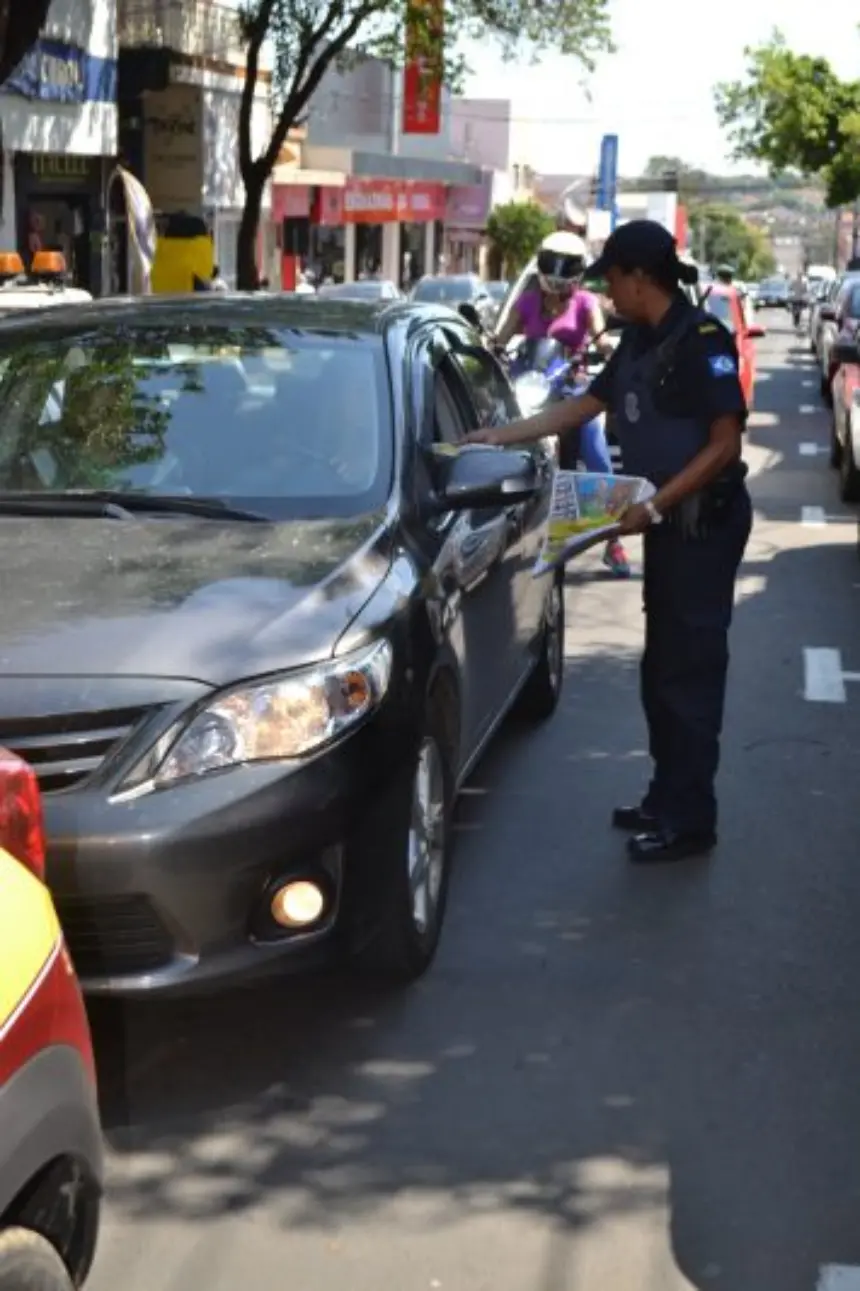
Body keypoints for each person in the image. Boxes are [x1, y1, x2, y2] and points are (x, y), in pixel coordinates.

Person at [468, 219, 752, 864]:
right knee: (661, 670)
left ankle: (690, 819)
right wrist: (501, 436)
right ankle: (664, 795)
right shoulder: (638, 340)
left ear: (640, 277)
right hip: (666, 525)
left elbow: (725, 443)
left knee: (689, 675)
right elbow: (581, 408)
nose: (608, 293)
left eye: (614, 279)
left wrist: (655, 503)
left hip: (701, 524)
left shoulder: (702, 339)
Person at [495, 230, 630, 578]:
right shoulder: (525, 302)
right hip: (531, 391)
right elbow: (502, 337)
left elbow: (601, 338)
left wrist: (612, 351)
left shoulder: (586, 303)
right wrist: (489, 347)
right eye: (552, 262)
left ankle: (613, 542)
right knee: (497, 450)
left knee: (599, 460)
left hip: (573, 391)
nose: (557, 272)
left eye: (566, 265)